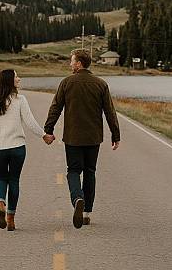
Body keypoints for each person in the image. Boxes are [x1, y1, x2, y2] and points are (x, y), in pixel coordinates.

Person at [44, 49, 120, 228]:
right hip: (93, 138)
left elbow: (56, 108)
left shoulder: (66, 83)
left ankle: (77, 198)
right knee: (90, 172)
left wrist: (48, 129)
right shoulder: (101, 84)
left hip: (73, 137)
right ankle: (86, 213)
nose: (70, 64)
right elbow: (110, 112)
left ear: (79, 64)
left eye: (72, 61)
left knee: (73, 171)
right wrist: (115, 135)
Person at [0, 69, 55, 231]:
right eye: (16, 77)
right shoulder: (20, 100)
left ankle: (0, 202)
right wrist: (44, 135)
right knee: (14, 180)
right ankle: (11, 219)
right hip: (17, 148)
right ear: (9, 81)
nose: (19, 79)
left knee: (1, 179)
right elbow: (29, 122)